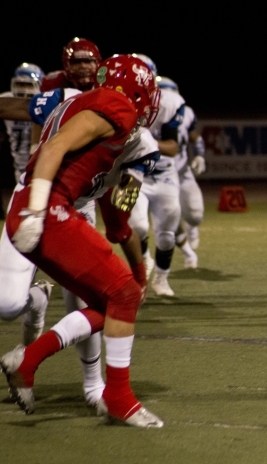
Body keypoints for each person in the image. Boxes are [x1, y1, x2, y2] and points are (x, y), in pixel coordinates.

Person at [0, 54, 164, 427]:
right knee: (119, 294)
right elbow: (55, 148)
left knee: (110, 302)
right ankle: (118, 398)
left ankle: (28, 361)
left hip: (55, 207)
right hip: (46, 205)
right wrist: (38, 211)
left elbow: (119, 215)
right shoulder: (116, 107)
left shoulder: (83, 103)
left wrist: (137, 270)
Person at [129, 55, 185, 297]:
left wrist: (147, 141)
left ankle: (161, 278)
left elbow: (173, 147)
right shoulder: (115, 102)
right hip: (131, 172)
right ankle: (142, 262)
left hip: (163, 174)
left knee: (166, 234)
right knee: (136, 225)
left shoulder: (169, 103)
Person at [156, 76, 205, 269]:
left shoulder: (186, 113)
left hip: (182, 170)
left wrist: (199, 155)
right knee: (169, 215)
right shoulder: (145, 114)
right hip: (159, 174)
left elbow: (195, 136)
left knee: (195, 214)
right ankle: (187, 252)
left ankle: (192, 228)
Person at [0, 63, 44, 183]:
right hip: (18, 168)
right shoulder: (7, 101)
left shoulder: (46, 101)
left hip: (42, 166)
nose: (24, 89)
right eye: (20, 84)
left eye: (29, 85)